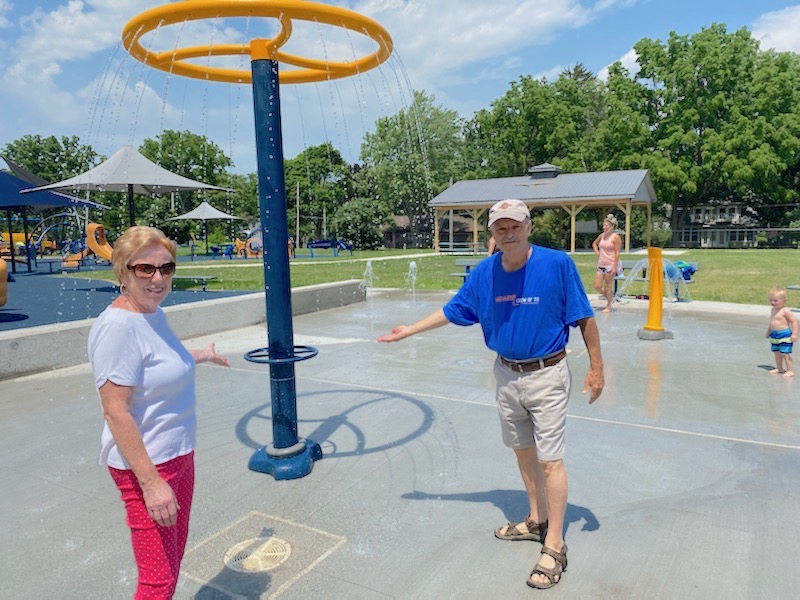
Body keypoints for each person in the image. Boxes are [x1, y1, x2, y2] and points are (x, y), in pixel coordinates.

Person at [378, 198, 604, 590]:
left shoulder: (556, 264)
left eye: (515, 225)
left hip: (547, 374)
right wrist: (409, 330)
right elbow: (453, 310)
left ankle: (555, 543)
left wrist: (597, 369)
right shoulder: (485, 273)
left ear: (528, 226)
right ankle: (536, 519)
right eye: (501, 227)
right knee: (522, 451)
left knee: (551, 460)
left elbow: (584, 317)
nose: (509, 233)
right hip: (506, 374)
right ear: (492, 234)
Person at [87, 226, 229, 598]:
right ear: (123, 271)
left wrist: (202, 355)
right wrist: (151, 484)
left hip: (178, 454)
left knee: (173, 558)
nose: (158, 278)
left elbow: (163, 360)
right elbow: (115, 411)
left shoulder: (151, 313)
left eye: (166, 268)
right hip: (148, 467)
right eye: (145, 268)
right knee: (158, 580)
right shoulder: (118, 328)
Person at [591, 214, 622, 313]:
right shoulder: (602, 236)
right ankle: (610, 298)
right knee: (597, 286)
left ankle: (608, 305)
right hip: (601, 264)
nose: (604, 228)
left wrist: (614, 267)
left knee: (607, 286)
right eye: (603, 226)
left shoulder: (615, 237)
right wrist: (597, 252)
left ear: (612, 226)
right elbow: (594, 243)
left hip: (610, 264)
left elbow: (617, 253)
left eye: (606, 226)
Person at [766, 286, 798, 378]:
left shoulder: (785, 311)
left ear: (784, 301)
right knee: (776, 353)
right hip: (774, 334)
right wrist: (768, 331)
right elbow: (772, 321)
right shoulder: (773, 310)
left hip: (784, 335)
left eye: (776, 301)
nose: (772, 302)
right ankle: (779, 368)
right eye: (771, 300)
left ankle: (790, 370)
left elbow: (794, 322)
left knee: (785, 353)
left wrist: (795, 334)